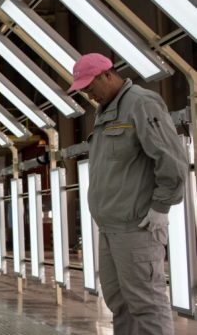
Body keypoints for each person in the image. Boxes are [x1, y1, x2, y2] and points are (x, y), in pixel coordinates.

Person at [69, 53, 186, 335]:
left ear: (107, 75)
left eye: (90, 86)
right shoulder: (106, 111)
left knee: (146, 304)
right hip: (110, 229)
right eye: (83, 89)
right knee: (120, 303)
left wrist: (161, 207)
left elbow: (171, 160)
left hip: (137, 227)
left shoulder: (141, 103)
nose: (88, 93)